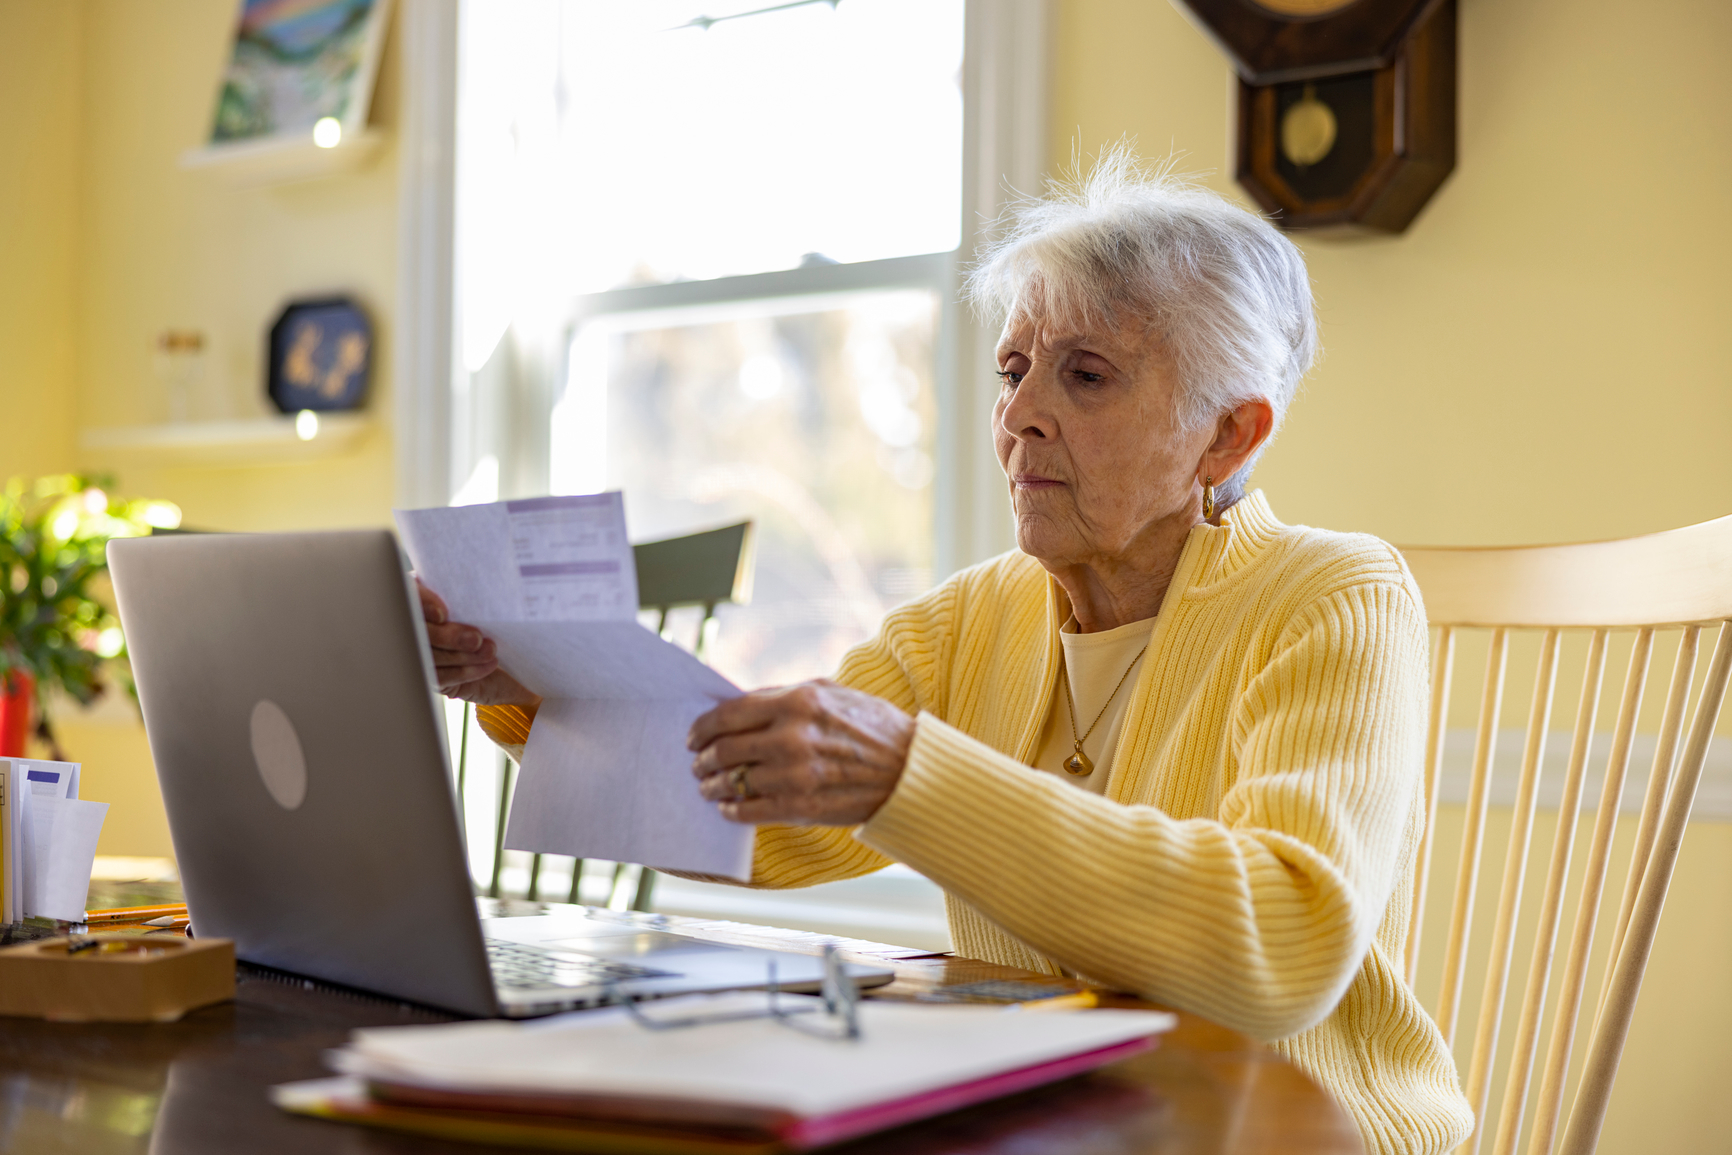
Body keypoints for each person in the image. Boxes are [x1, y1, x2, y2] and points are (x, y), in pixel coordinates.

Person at [420, 153, 1475, 1155]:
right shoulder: (973, 616)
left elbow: (1283, 944)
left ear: (1228, 436)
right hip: (1067, 1125)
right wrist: (547, 687)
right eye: (1013, 369)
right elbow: (773, 825)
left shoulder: (1333, 595)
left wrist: (903, 772)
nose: (1018, 415)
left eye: (1087, 375)